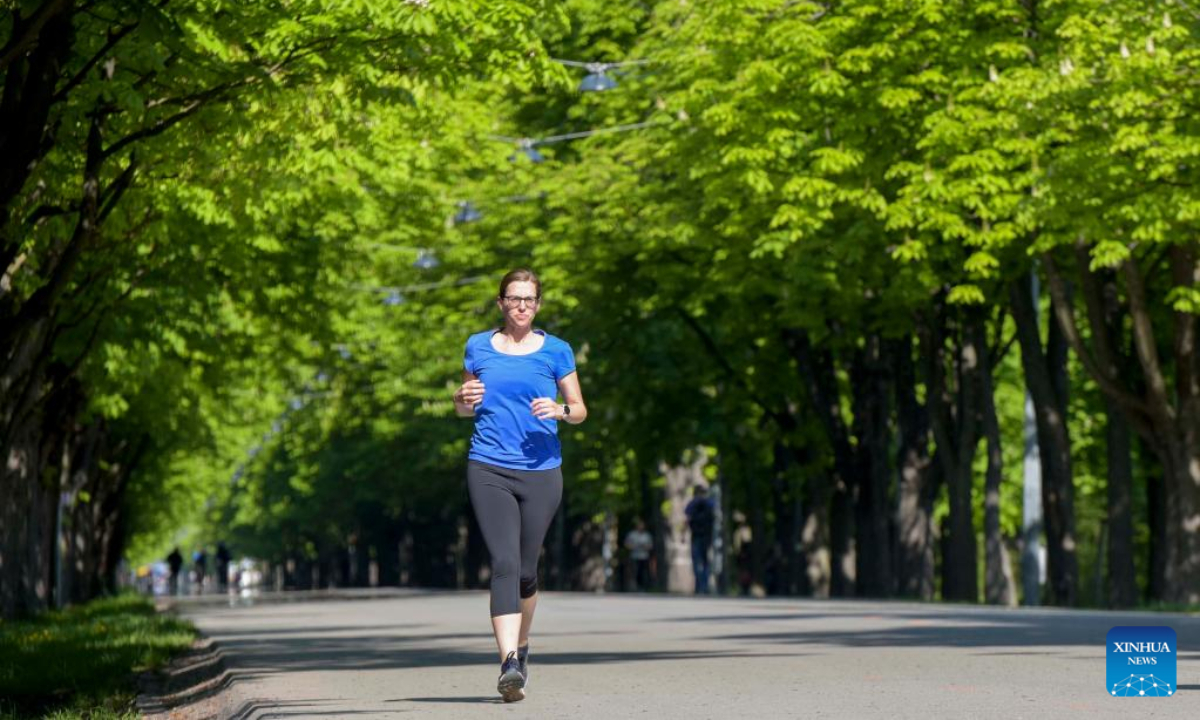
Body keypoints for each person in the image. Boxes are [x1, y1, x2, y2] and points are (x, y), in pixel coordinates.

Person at [453, 268, 587, 703]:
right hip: (488, 465)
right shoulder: (478, 346)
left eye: (530, 299)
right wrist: (460, 400)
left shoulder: (557, 351)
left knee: (528, 571)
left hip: (542, 470)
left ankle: (522, 646)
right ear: (501, 303)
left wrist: (560, 410)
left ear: (538, 304)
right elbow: (466, 406)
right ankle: (509, 662)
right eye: (514, 299)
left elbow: (580, 409)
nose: (522, 306)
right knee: (505, 562)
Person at [685, 485, 715, 594]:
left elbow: (687, 517)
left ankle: (699, 585)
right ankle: (705, 585)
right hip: (707, 536)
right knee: (706, 562)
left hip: (696, 536)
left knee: (696, 561)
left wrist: (684, 534)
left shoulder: (692, 504)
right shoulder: (710, 503)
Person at [623, 517, 654, 591]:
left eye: (642, 525)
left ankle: (644, 587)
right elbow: (627, 544)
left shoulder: (647, 535)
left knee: (644, 572)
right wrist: (633, 546)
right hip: (635, 556)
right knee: (635, 572)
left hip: (644, 556)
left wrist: (645, 547)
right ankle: (636, 586)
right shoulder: (632, 534)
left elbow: (650, 546)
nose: (641, 527)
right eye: (639, 525)